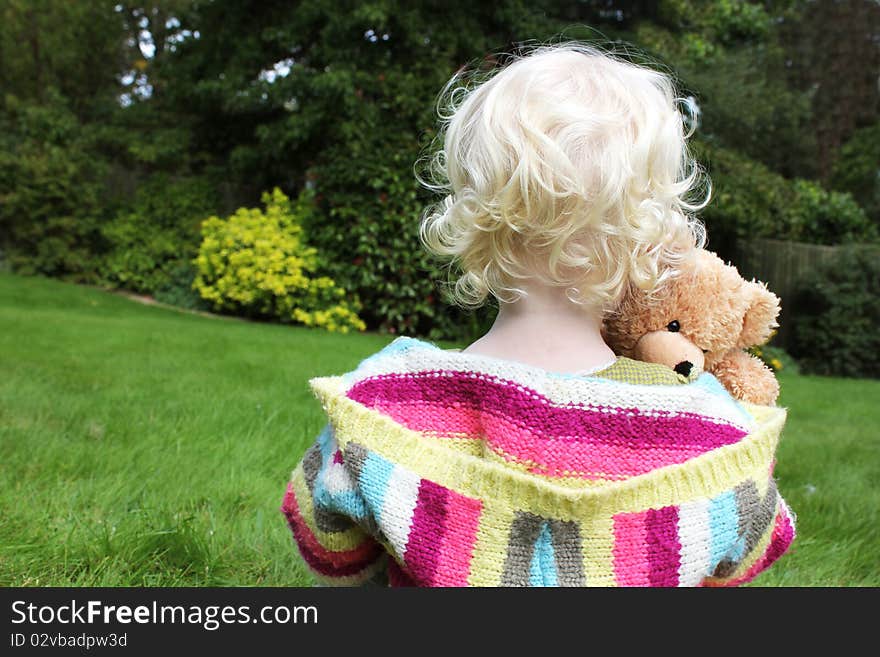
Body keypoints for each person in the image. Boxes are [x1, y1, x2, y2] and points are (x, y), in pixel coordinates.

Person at [280, 42, 795, 586]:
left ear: (470, 217)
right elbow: (755, 545)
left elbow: (329, 549)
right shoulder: (707, 429)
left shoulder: (390, 402)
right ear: (651, 241)